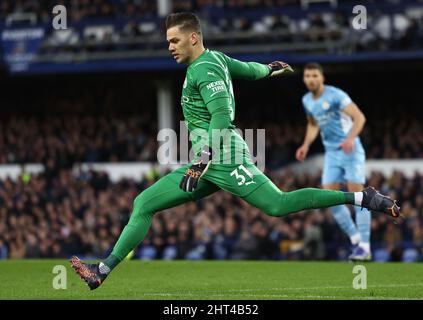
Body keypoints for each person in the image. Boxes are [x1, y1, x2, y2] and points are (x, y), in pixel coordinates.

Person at [70, 12, 400, 290]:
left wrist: (201, 160)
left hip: (223, 158)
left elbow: (222, 116)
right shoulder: (218, 60)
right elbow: (250, 70)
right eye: (168, 41)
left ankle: (361, 198)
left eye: (174, 40)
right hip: (210, 161)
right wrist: (271, 69)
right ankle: (102, 271)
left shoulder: (204, 68)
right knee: (143, 203)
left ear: (193, 38)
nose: (169, 46)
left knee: (278, 205)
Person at [296, 63, 371, 261]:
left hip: (350, 150)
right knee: (331, 198)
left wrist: (350, 138)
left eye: (315, 75)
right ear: (304, 79)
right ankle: (355, 240)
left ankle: (365, 245)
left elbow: (359, 118)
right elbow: (313, 125)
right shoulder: (307, 100)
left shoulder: (337, 95)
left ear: (322, 78)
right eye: (308, 75)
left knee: (358, 197)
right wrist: (305, 145)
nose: (311, 79)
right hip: (331, 153)